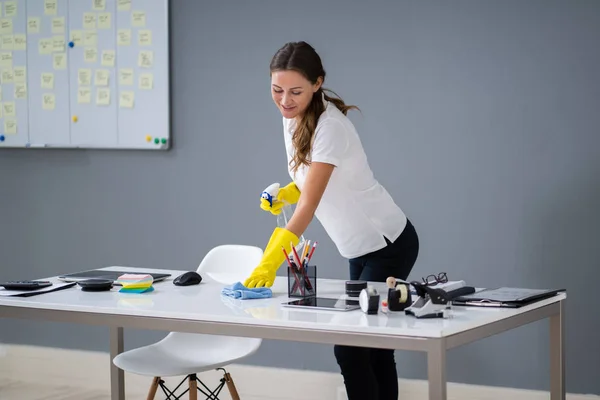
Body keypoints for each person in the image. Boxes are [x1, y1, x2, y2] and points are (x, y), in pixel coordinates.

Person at [243, 41, 420, 400]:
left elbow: (308, 206)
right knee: (375, 345)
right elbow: (312, 181)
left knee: (352, 347)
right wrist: (285, 194)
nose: (285, 100)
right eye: (276, 90)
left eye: (295, 91)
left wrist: (268, 264)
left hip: (387, 244)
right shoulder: (292, 117)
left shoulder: (331, 128)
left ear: (317, 83)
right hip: (357, 247)